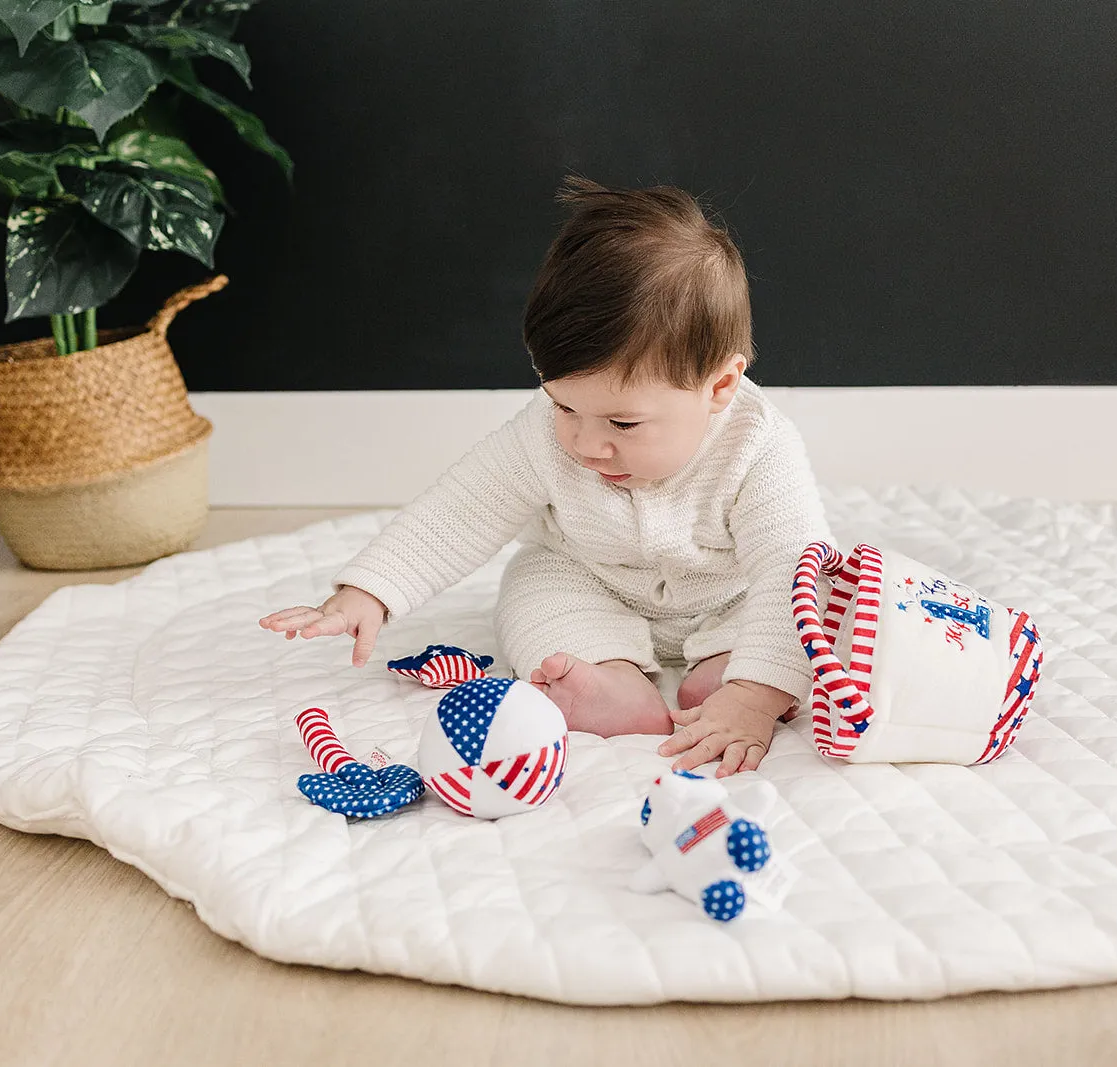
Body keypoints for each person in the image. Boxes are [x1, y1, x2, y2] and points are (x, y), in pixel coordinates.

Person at [260, 175, 831, 777]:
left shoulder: (758, 448)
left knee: (807, 610)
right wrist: (370, 590)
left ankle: (731, 675)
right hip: (588, 574)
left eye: (623, 422)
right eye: (564, 406)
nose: (585, 444)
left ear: (718, 388)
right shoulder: (544, 436)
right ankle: (611, 682)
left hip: (728, 592)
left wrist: (755, 695)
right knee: (534, 589)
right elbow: (464, 508)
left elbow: (792, 569)